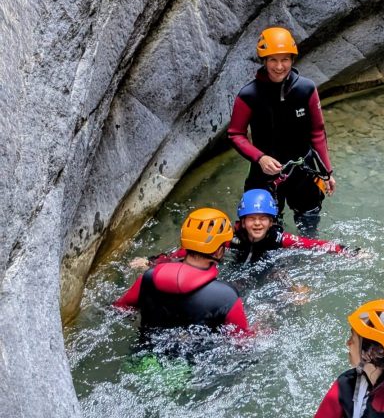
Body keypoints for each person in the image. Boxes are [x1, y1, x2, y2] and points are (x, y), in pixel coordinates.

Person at [228, 26, 336, 234]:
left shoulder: (306, 89)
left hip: (303, 171)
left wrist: (327, 172)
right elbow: (235, 134)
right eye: (273, 60)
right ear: (264, 61)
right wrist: (260, 158)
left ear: (292, 60)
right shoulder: (249, 95)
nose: (279, 66)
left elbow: (317, 132)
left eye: (285, 59)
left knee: (309, 225)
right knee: (263, 234)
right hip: (264, 173)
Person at [113, 207, 251, 335]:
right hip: (190, 361)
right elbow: (243, 342)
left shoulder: (150, 277)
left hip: (142, 358)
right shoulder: (226, 296)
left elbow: (119, 308)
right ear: (218, 251)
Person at [231, 189, 350, 265]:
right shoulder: (231, 237)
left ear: (271, 222)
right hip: (240, 261)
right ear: (242, 223)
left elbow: (315, 244)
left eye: (263, 218)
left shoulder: (279, 238)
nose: (257, 223)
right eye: (251, 219)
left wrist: (349, 252)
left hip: (270, 265)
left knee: (279, 275)